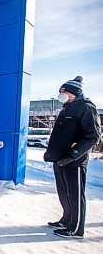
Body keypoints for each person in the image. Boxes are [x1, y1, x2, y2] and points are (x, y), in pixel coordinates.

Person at [43, 76, 101, 239]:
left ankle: (76, 229)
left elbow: (93, 137)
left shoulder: (86, 108)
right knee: (63, 192)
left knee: (75, 195)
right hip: (60, 159)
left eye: (65, 92)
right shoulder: (66, 108)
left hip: (75, 161)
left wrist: (73, 155)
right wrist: (52, 153)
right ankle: (66, 220)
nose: (61, 95)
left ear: (74, 93)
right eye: (60, 92)